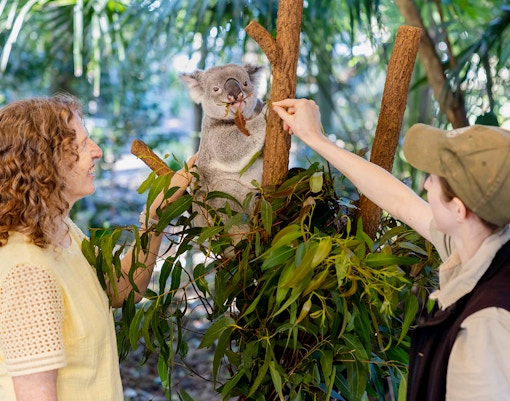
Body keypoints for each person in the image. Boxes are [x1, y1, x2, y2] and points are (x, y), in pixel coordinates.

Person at [273, 98, 510, 401]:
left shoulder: (485, 328)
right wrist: (315, 137)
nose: (425, 186)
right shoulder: (480, 240)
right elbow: (400, 201)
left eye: (434, 180)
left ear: (460, 210)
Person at [0, 94, 195, 401]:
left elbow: (121, 290)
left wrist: (155, 218)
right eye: (81, 146)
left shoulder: (59, 230)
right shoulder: (28, 271)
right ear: (45, 164)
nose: (97, 152)